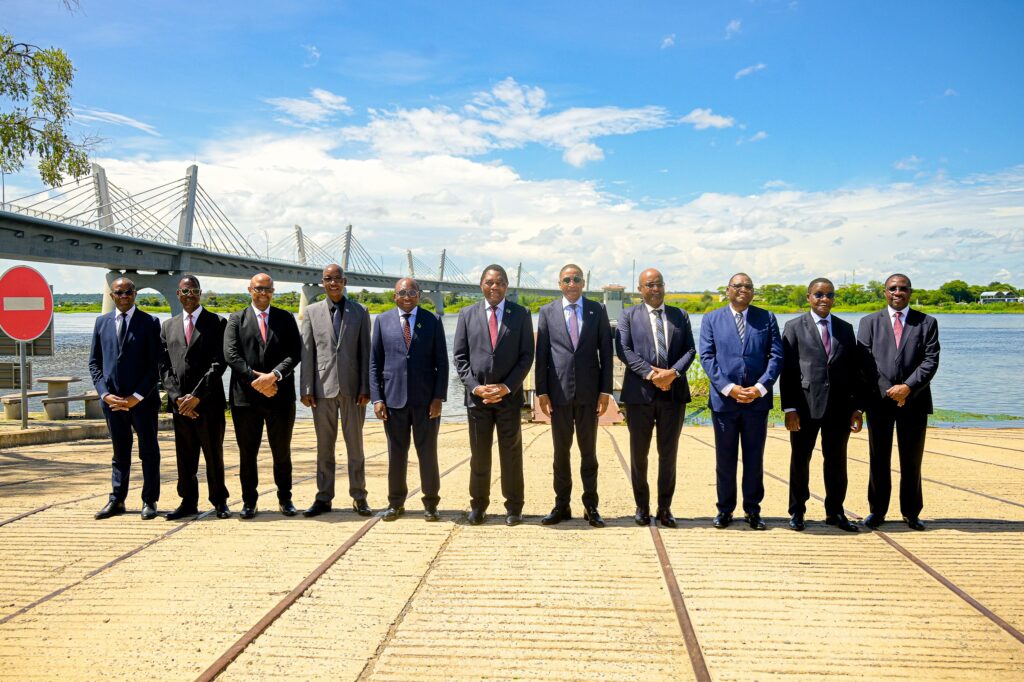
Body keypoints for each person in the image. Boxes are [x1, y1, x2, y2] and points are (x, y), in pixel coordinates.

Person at [699, 272, 783, 531]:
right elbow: (706, 356)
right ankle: (725, 510)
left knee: (754, 458)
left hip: (756, 403)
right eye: (738, 286)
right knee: (725, 459)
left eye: (748, 286)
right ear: (728, 290)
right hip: (725, 403)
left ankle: (753, 510)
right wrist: (728, 388)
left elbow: (776, 356)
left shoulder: (766, 318)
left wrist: (759, 388)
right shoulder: (712, 318)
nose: (743, 290)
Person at [453, 264, 534, 526]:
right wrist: (476, 387)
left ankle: (514, 507)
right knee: (479, 456)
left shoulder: (521, 314)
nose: (494, 287)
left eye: (499, 282)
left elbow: (526, 356)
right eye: (489, 282)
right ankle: (478, 505)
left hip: (508, 399)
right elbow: (460, 357)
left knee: (511, 454)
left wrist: (506, 387)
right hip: (477, 400)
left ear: (506, 286)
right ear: (481, 285)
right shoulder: (466, 314)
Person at [857, 274, 940, 531]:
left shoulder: (926, 322)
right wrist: (889, 390)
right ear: (884, 292)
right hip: (879, 402)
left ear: (910, 292)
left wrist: (908, 388)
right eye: (892, 288)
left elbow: (931, 360)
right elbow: (864, 361)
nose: (897, 292)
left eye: (903, 289)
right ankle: (877, 511)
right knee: (878, 458)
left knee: (912, 459)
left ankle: (911, 512)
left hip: (914, 400)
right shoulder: (869, 322)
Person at [616, 268, 696, 528]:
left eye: (659, 284)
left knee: (668, 453)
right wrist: (652, 375)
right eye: (649, 285)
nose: (655, 289)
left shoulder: (679, 315)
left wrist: (672, 373)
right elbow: (623, 350)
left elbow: (690, 349)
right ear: (640, 289)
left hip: (673, 394)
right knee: (639, 454)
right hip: (639, 396)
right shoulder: (628, 315)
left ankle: (665, 508)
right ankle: (642, 506)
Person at [535, 264, 614, 528]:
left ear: (583, 283)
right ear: (559, 284)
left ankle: (591, 506)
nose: (572, 284)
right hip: (558, 395)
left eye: (576, 279)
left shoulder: (597, 310)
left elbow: (606, 352)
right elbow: (542, 355)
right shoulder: (547, 312)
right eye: (567, 280)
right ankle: (561, 505)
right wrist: (542, 391)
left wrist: (606, 391)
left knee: (588, 453)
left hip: (590, 395)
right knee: (560, 454)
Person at [780, 278, 862, 532]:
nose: (824, 299)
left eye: (829, 295)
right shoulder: (794, 327)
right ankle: (797, 511)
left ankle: (835, 512)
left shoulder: (845, 328)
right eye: (819, 294)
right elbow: (788, 371)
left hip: (839, 408)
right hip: (804, 407)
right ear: (809, 297)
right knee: (800, 460)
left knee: (837, 461)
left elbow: (854, 371)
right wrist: (789, 408)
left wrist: (857, 408)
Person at [224, 272, 301, 519]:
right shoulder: (236, 319)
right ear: (250, 290)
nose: (263, 293)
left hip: (280, 396)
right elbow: (231, 355)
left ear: (273, 291)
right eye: (258, 289)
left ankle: (285, 499)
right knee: (248, 453)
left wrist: (274, 376)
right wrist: (258, 381)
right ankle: (249, 502)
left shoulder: (285, 318)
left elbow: (295, 353)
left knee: (282, 451)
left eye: (268, 289)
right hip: (245, 399)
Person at [370, 278, 448, 522]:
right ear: (394, 296)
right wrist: (376, 398)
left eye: (412, 292)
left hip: (426, 402)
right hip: (393, 402)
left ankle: (431, 504)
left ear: (419, 294)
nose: (407, 296)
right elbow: (374, 363)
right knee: (396, 454)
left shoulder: (433, 321)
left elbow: (442, 364)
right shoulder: (382, 321)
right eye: (402, 292)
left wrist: (438, 398)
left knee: (428, 453)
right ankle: (395, 504)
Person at [300, 263, 373, 518]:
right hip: (322, 389)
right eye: (328, 279)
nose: (333, 283)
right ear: (323, 282)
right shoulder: (311, 312)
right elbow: (307, 352)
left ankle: (359, 496)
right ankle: (323, 498)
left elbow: (366, 352)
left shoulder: (360, 311)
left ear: (345, 281)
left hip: (354, 391)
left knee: (356, 447)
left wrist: (367, 387)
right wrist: (306, 387)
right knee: (324, 447)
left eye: (337, 279)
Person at [89, 276, 162, 520]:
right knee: (120, 452)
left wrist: (137, 396)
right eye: (119, 293)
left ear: (135, 294)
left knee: (148, 451)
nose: (124, 297)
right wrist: (105, 394)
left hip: (142, 401)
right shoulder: (101, 322)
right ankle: (117, 500)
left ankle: (149, 500)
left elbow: (155, 366)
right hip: (112, 402)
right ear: (112, 296)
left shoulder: (150, 322)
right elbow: (94, 363)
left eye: (128, 292)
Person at [159, 275, 231, 520]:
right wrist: (178, 398)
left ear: (200, 294)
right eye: (185, 292)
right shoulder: (168, 326)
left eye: (194, 291)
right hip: (180, 406)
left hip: (208, 403)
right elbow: (164, 366)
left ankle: (219, 501)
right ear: (178, 295)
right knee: (185, 456)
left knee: (213, 454)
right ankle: (188, 501)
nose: (189, 296)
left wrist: (197, 396)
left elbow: (219, 363)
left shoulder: (218, 322)